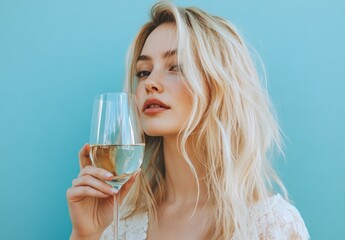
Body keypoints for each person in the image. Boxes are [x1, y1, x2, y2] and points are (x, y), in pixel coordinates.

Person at [67, 1, 310, 239]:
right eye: (144, 72)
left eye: (176, 67)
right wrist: (86, 234)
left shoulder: (270, 225)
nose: (150, 82)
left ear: (218, 86)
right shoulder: (118, 224)